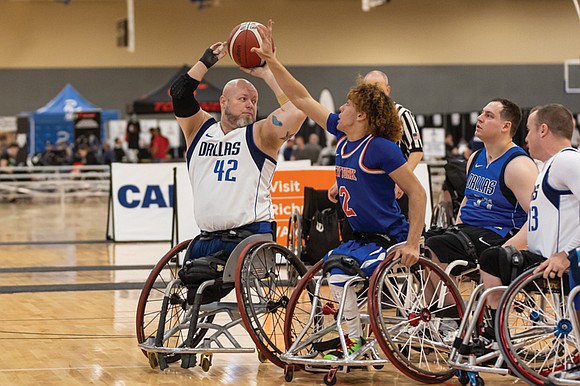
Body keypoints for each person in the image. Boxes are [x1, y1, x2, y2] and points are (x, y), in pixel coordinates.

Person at [253, 20, 426, 357]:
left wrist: (414, 243)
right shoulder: (344, 136)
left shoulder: (381, 147)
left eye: (347, 105)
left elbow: (417, 193)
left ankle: (356, 344)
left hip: (388, 237)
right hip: (359, 236)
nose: (340, 109)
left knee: (342, 277)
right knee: (330, 274)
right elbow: (301, 98)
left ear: (361, 115)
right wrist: (272, 61)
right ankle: (352, 342)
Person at [169, 41, 306, 303]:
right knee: (192, 298)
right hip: (206, 239)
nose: (250, 105)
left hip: (247, 237)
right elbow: (179, 94)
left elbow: (297, 110)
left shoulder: (260, 134)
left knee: (202, 295)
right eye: (243, 99)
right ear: (223, 101)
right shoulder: (198, 129)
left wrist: (268, 72)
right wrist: (206, 60)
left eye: (254, 101)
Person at [478, 103, 580, 333]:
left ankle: (496, 334)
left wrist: (567, 254)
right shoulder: (548, 166)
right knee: (495, 256)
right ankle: (495, 334)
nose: (526, 138)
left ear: (543, 130)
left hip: (561, 264)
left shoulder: (567, 161)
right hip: (545, 259)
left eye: (529, 130)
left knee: (492, 259)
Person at [327, 70, 424, 218]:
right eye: (368, 87)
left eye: (377, 86)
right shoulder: (360, 118)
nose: (373, 91)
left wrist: (403, 182)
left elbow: (417, 150)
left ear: (387, 89)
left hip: (394, 181)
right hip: (366, 185)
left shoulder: (402, 114)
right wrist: (340, 181)